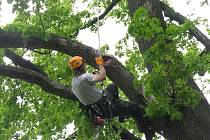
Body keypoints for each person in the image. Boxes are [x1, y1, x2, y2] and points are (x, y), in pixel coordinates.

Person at [68, 55, 118, 126]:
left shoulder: (73, 82)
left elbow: (84, 88)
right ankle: (119, 110)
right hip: (103, 103)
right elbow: (102, 77)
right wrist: (100, 64)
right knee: (112, 86)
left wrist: (93, 76)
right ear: (82, 66)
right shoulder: (86, 76)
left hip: (94, 110)